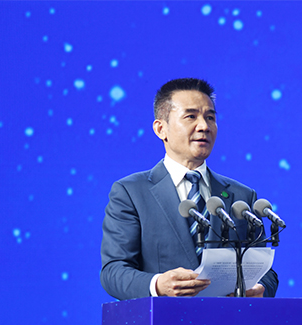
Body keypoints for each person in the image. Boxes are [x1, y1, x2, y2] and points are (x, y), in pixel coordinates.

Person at [100, 78, 279, 300]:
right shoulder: (131, 193)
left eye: (210, 117)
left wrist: (261, 288)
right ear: (161, 129)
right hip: (166, 319)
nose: (204, 126)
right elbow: (113, 271)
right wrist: (158, 284)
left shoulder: (242, 196)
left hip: (228, 319)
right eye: (191, 116)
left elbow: (266, 272)